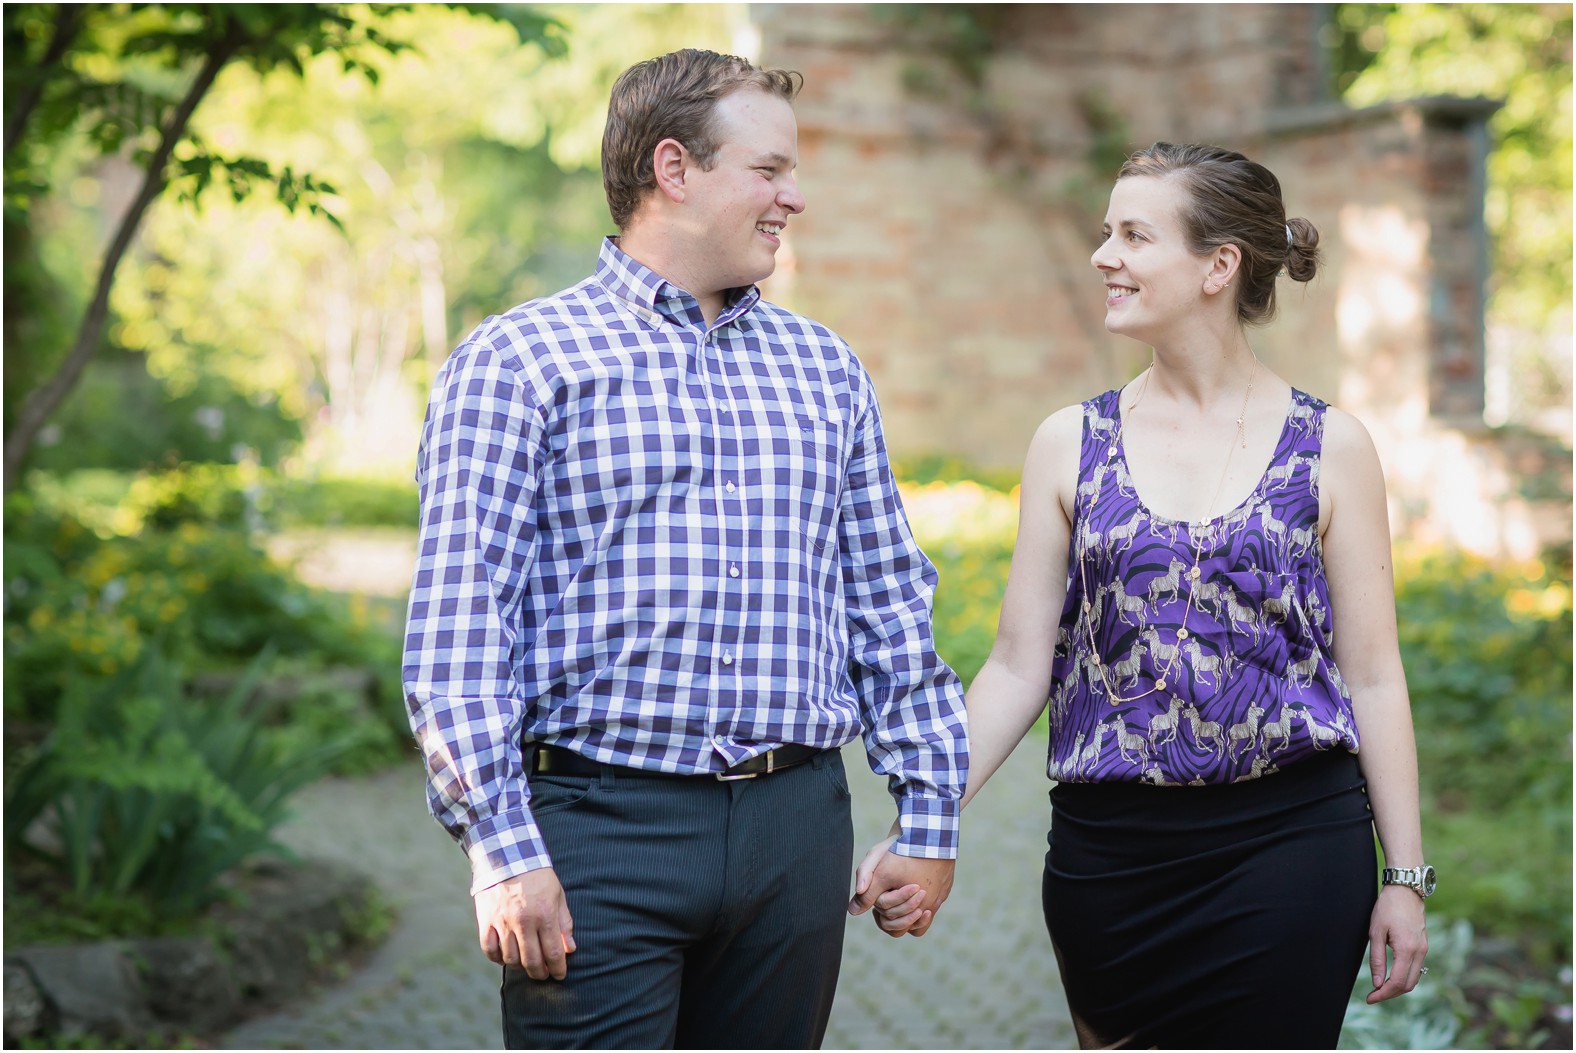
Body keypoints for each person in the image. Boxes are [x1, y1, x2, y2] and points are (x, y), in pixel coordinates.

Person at [402, 48, 967, 1050]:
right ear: (673, 170)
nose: (794, 198)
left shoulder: (824, 369)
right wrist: (500, 847)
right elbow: (460, 624)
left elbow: (886, 601)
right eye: (769, 170)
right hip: (595, 833)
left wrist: (928, 816)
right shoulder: (520, 362)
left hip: (798, 832)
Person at [860, 142, 1432, 1048]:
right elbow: (1016, 667)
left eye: (1133, 234)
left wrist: (1404, 873)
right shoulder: (1067, 442)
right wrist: (925, 820)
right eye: (1104, 232)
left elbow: (1373, 676)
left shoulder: (1333, 447)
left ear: (1218, 265)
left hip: (1292, 842)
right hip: (1110, 863)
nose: (1103, 256)